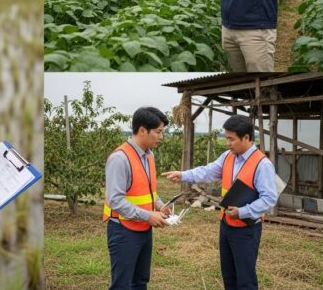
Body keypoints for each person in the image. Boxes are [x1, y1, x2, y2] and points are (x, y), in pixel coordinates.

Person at [163, 115, 277, 290]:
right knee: (229, 275)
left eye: (231, 139)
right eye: (226, 138)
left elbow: (269, 198)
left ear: (246, 138)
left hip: (247, 228)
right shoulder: (228, 157)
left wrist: (243, 212)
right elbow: (208, 172)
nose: (227, 143)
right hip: (226, 224)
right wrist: (183, 175)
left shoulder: (262, 165)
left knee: (245, 279)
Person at [103, 107, 172, 290]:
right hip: (123, 231)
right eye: (158, 132)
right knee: (122, 285)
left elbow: (147, 189)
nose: (161, 137)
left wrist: (159, 205)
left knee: (140, 281)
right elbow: (115, 200)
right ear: (142, 130)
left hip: (143, 228)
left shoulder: (148, 155)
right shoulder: (120, 158)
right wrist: (148, 215)